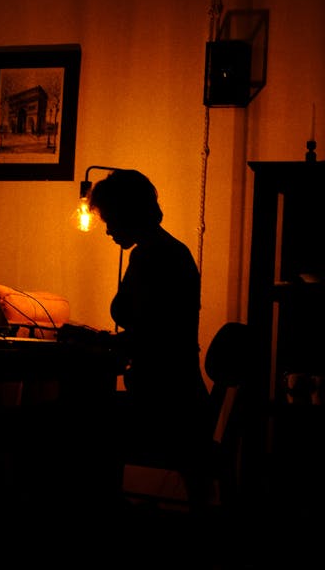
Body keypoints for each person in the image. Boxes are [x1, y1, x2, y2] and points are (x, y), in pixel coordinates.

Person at [88, 167, 212, 512]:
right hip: (184, 400)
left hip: (166, 407)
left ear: (127, 212)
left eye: (110, 218)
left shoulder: (150, 256)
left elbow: (152, 337)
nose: (108, 229)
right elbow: (155, 327)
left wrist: (100, 343)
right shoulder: (172, 250)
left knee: (77, 421)